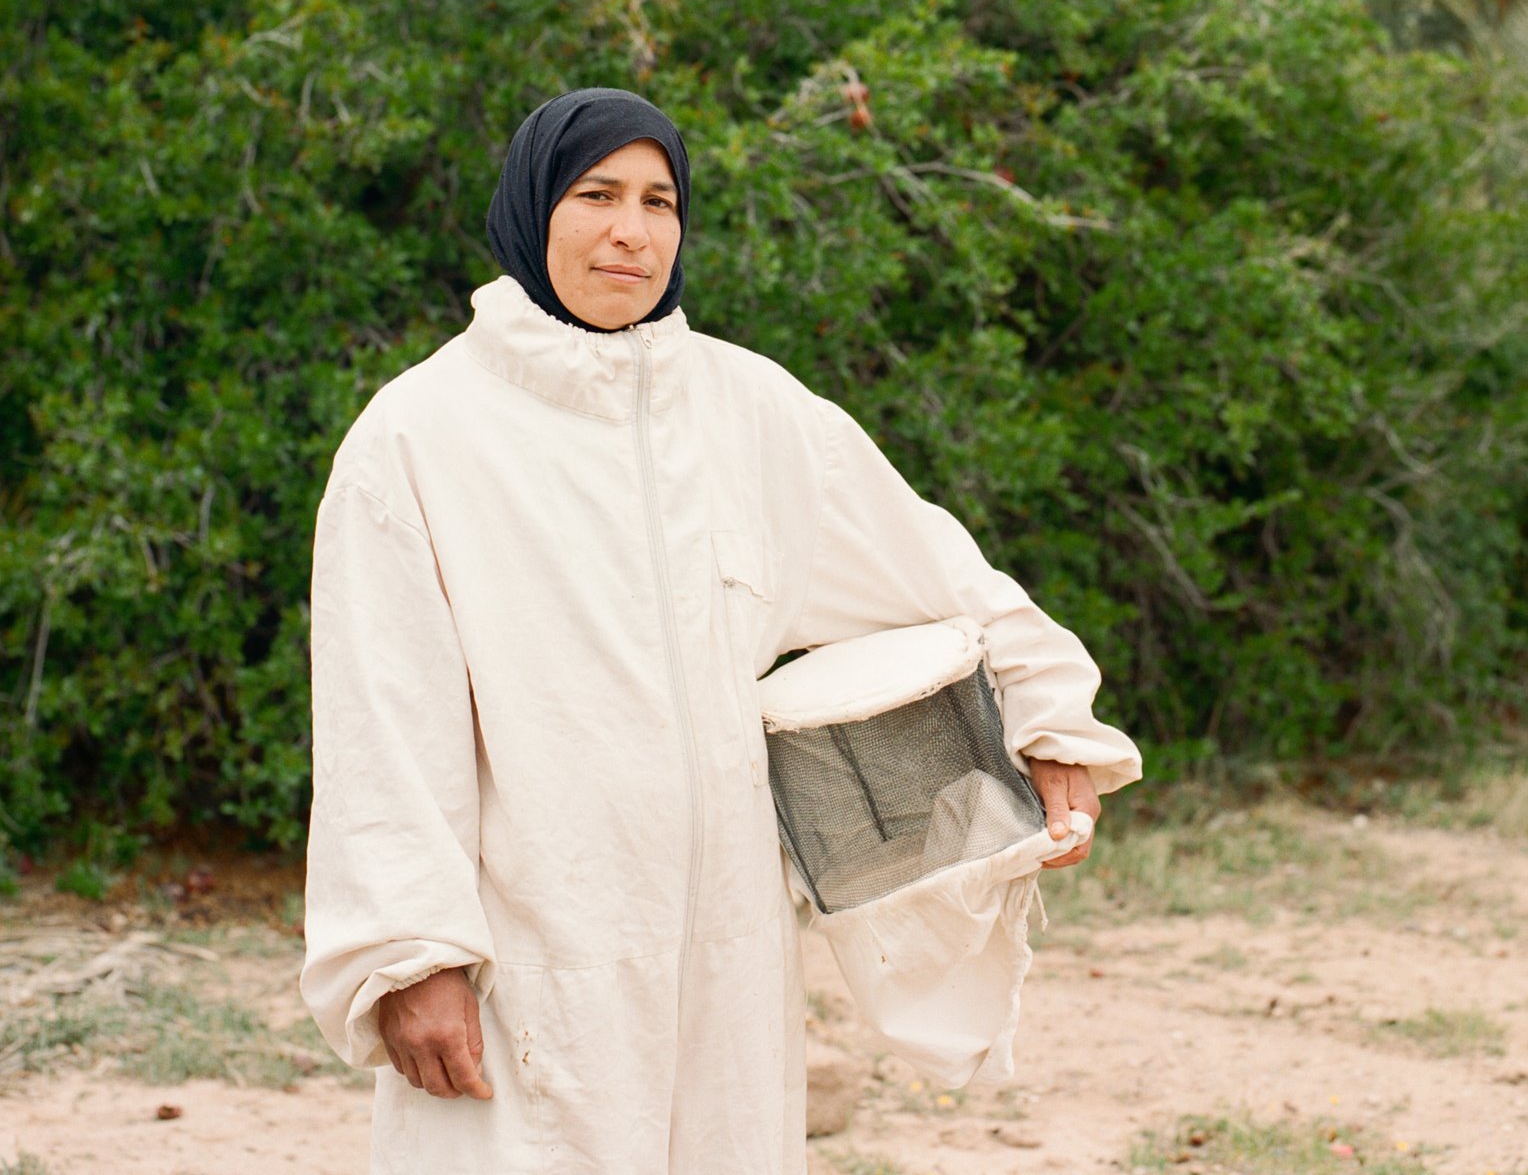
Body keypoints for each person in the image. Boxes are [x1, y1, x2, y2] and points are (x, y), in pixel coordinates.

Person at [299, 87, 1140, 1174]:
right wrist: (412, 954)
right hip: (535, 952)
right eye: (595, 194)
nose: (629, 231)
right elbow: (382, 718)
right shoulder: (418, 436)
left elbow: (935, 574)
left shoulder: (749, 410)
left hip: (732, 949)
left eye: (659, 200)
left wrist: (1051, 722)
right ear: (529, 211)